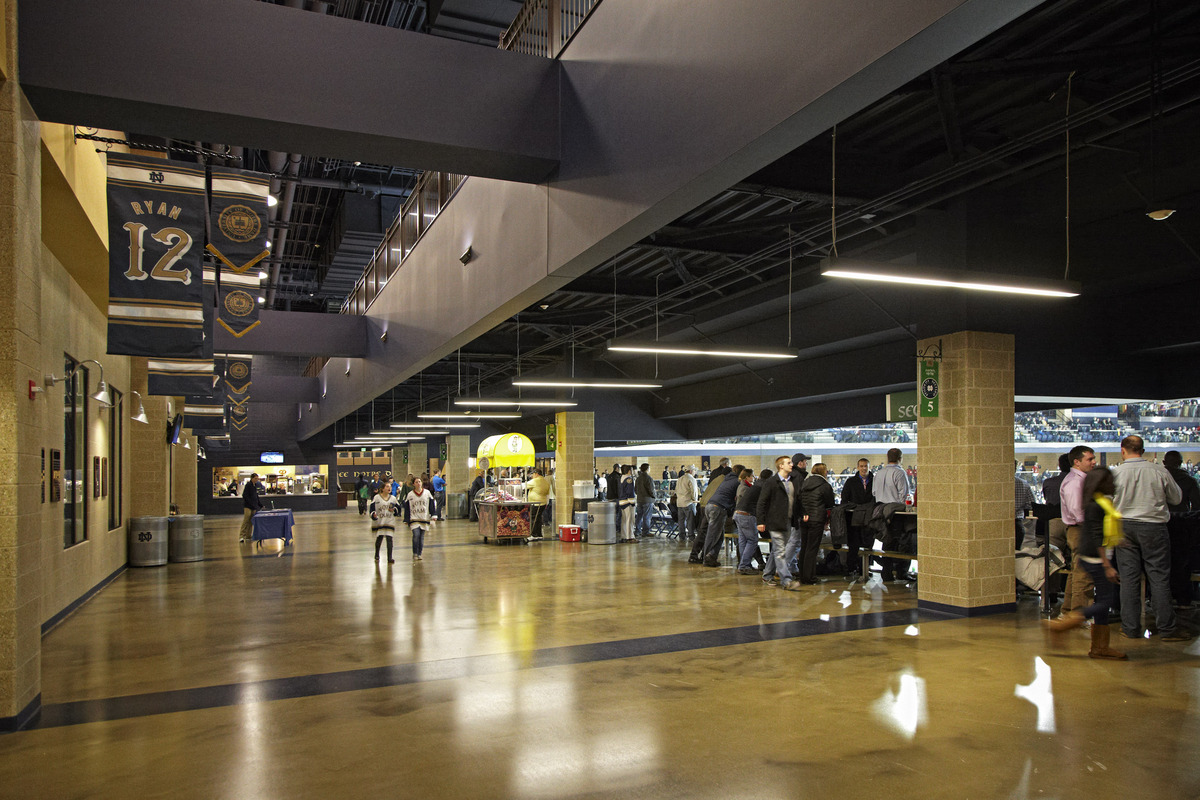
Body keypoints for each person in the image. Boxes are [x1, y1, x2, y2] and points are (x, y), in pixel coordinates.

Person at [1043, 467, 1126, 659]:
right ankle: (1063, 624)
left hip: (1097, 556)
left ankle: (1099, 647)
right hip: (1098, 559)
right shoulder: (1098, 505)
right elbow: (1097, 536)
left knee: (1104, 602)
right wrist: (1106, 564)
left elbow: (1101, 531)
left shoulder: (1096, 502)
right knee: (1106, 602)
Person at [1111, 435, 1188, 641]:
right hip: (1153, 527)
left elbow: (1106, 502)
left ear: (1123, 450)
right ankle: (1167, 629)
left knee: (1128, 579)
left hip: (1123, 526)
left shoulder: (1115, 473)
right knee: (1159, 577)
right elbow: (1177, 498)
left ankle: (1130, 628)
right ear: (1143, 450)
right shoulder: (1158, 471)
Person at [1059, 445, 1097, 617]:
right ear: (1077, 462)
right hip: (1081, 530)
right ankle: (1078, 615)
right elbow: (1077, 511)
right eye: (1089, 459)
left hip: (1079, 530)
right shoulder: (1075, 482)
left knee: (1077, 573)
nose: (1094, 462)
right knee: (1084, 574)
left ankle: (1068, 611)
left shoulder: (1079, 480)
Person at [757, 455, 801, 591]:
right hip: (775, 522)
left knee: (777, 550)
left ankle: (767, 574)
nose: (791, 465)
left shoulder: (794, 481)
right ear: (780, 466)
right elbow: (762, 502)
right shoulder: (771, 482)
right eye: (788, 463)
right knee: (781, 552)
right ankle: (786, 580)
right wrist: (761, 521)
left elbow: (797, 500)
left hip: (788, 521)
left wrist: (802, 514)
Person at [692, 463, 743, 567]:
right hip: (718, 508)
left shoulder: (725, 479)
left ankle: (706, 557)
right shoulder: (737, 482)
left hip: (708, 505)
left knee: (714, 535)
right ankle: (707, 558)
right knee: (713, 535)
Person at [872, 448, 911, 581]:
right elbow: (904, 496)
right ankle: (901, 573)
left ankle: (887, 572)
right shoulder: (899, 473)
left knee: (887, 543)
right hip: (896, 513)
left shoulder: (879, 473)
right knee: (902, 544)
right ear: (900, 458)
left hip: (880, 512)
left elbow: (874, 493)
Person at [797, 463, 835, 584]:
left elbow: (799, 500)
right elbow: (830, 503)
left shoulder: (804, 483)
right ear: (824, 472)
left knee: (804, 547)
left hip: (804, 518)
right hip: (817, 519)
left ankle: (802, 575)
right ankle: (810, 577)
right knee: (812, 548)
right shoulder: (824, 485)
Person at [733, 469, 772, 574]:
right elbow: (763, 505)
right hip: (747, 515)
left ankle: (744, 565)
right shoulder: (765, 487)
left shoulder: (756, 485)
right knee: (752, 541)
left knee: (743, 541)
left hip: (738, 514)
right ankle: (744, 565)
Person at [841, 458, 874, 579]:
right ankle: (851, 568)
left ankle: (864, 568)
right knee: (853, 545)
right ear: (857, 467)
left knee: (867, 543)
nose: (864, 468)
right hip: (853, 518)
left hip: (868, 518)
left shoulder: (875, 481)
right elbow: (844, 499)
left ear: (869, 467)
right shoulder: (851, 481)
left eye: (865, 466)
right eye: (861, 466)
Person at [402, 476, 439, 562]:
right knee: (416, 535)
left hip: (424, 517)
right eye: (416, 482)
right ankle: (415, 553)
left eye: (419, 482)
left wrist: (433, 515)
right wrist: (406, 519)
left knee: (421, 537)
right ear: (413, 484)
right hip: (414, 518)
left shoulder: (427, 493)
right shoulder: (410, 495)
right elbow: (407, 507)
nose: (418, 483)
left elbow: (431, 505)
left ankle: (419, 553)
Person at [371, 478, 400, 563]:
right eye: (387, 486)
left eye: (390, 486)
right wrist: (373, 514)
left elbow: (398, 509)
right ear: (382, 488)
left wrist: (394, 510)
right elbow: (372, 509)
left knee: (389, 539)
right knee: (379, 538)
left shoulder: (393, 498)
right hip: (380, 521)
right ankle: (377, 554)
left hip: (389, 521)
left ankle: (389, 557)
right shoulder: (377, 498)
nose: (389, 488)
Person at [675, 465, 699, 544]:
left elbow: (676, 490)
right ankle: (691, 536)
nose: (695, 472)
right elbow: (694, 491)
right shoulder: (691, 479)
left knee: (681, 521)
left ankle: (682, 536)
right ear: (691, 471)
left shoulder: (679, 479)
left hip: (679, 503)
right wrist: (695, 500)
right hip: (688, 502)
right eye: (694, 471)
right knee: (690, 521)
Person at [525, 468, 551, 539]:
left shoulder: (535, 481)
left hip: (535, 503)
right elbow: (547, 493)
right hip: (543, 502)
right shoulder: (545, 481)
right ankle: (539, 534)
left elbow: (524, 486)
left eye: (533, 474)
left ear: (536, 474)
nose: (532, 476)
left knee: (533, 518)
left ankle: (533, 534)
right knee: (538, 518)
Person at [239, 472, 263, 543]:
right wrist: (251, 503)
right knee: (246, 521)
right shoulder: (248, 485)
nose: (256, 480)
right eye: (255, 478)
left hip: (254, 507)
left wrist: (260, 504)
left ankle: (248, 536)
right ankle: (241, 536)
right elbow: (245, 496)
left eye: (257, 479)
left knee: (250, 521)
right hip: (248, 506)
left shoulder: (254, 486)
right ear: (252, 478)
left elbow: (256, 497)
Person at [635, 463, 656, 538]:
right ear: (647, 469)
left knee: (639, 516)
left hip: (639, 499)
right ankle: (645, 532)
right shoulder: (648, 478)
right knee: (647, 516)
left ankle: (637, 530)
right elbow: (651, 490)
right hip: (647, 500)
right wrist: (654, 497)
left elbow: (635, 490)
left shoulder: (638, 478)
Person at [618, 465, 636, 542]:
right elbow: (630, 492)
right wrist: (632, 502)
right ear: (629, 471)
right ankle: (630, 537)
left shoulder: (621, 478)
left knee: (624, 520)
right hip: (628, 502)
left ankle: (624, 536)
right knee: (630, 520)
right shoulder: (629, 479)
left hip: (622, 502)